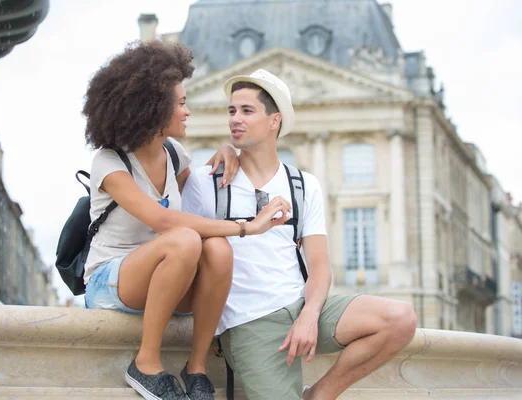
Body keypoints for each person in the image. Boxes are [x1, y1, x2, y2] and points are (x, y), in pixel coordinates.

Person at [181, 69, 418, 400]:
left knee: (401, 319)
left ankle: (318, 395)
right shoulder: (206, 182)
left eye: (247, 111)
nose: (235, 118)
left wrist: (309, 315)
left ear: (274, 120)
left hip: (303, 307)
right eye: (232, 111)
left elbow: (320, 265)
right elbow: (184, 247)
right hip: (250, 322)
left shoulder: (304, 185)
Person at [81, 43, 291, 400]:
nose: (187, 111)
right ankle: (145, 364)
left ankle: (196, 367)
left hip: (167, 276)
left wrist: (229, 151)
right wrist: (248, 227)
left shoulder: (173, 154)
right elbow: (163, 220)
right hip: (111, 280)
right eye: (179, 103)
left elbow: (200, 187)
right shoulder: (109, 161)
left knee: (218, 251)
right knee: (185, 239)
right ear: (151, 108)